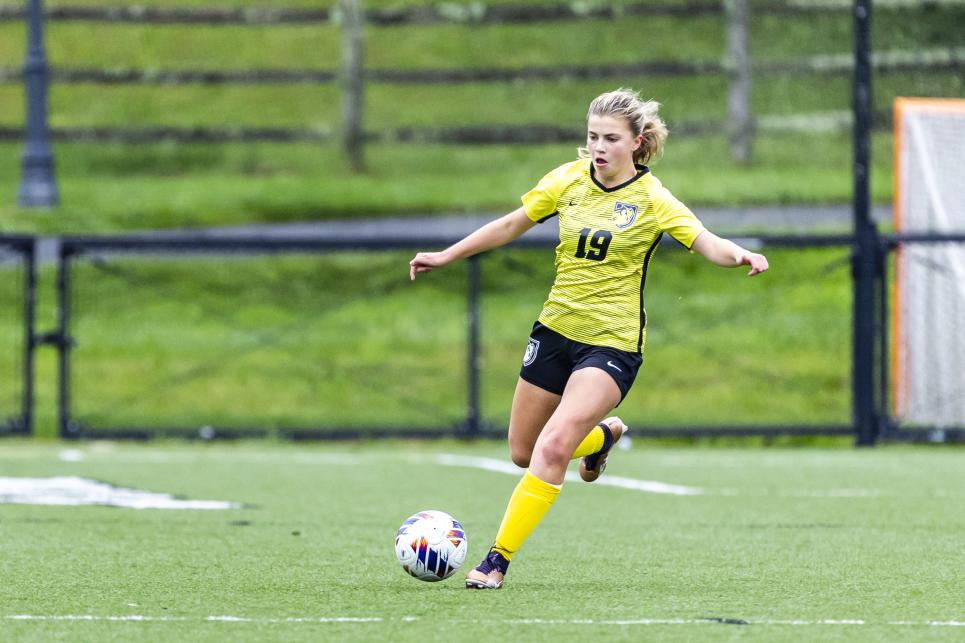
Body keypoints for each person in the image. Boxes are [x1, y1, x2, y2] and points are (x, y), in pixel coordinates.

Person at [408, 88, 769, 590]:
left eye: (610, 138)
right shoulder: (568, 180)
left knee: (554, 446)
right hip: (555, 330)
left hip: (612, 344)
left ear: (637, 143)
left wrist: (742, 255)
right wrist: (446, 255)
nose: (598, 147)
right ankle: (604, 436)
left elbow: (706, 241)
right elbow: (512, 223)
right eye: (592, 136)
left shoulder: (653, 199)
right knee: (523, 450)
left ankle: (496, 561)